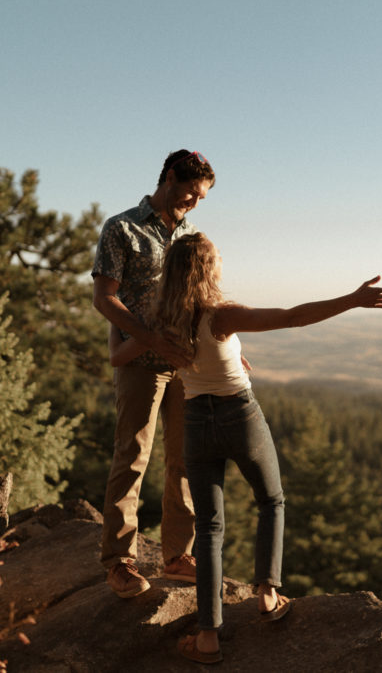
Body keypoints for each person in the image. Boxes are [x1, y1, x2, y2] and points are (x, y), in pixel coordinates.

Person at [110, 232, 382, 664]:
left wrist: (123, 324)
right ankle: (268, 596)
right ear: (208, 271)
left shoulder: (159, 322)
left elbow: (119, 356)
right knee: (271, 500)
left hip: (196, 421)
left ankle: (208, 639)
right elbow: (293, 316)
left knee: (209, 528)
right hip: (239, 415)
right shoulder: (221, 314)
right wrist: (353, 299)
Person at [91, 150, 215, 598]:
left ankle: (177, 556)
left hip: (187, 362)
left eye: (202, 197)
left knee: (185, 461)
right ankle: (119, 561)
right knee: (133, 456)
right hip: (142, 362)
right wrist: (149, 338)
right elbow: (105, 299)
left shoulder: (193, 234)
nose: (195, 202)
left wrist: (226, 348)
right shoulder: (121, 227)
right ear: (168, 177)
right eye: (190, 192)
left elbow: (204, 296)